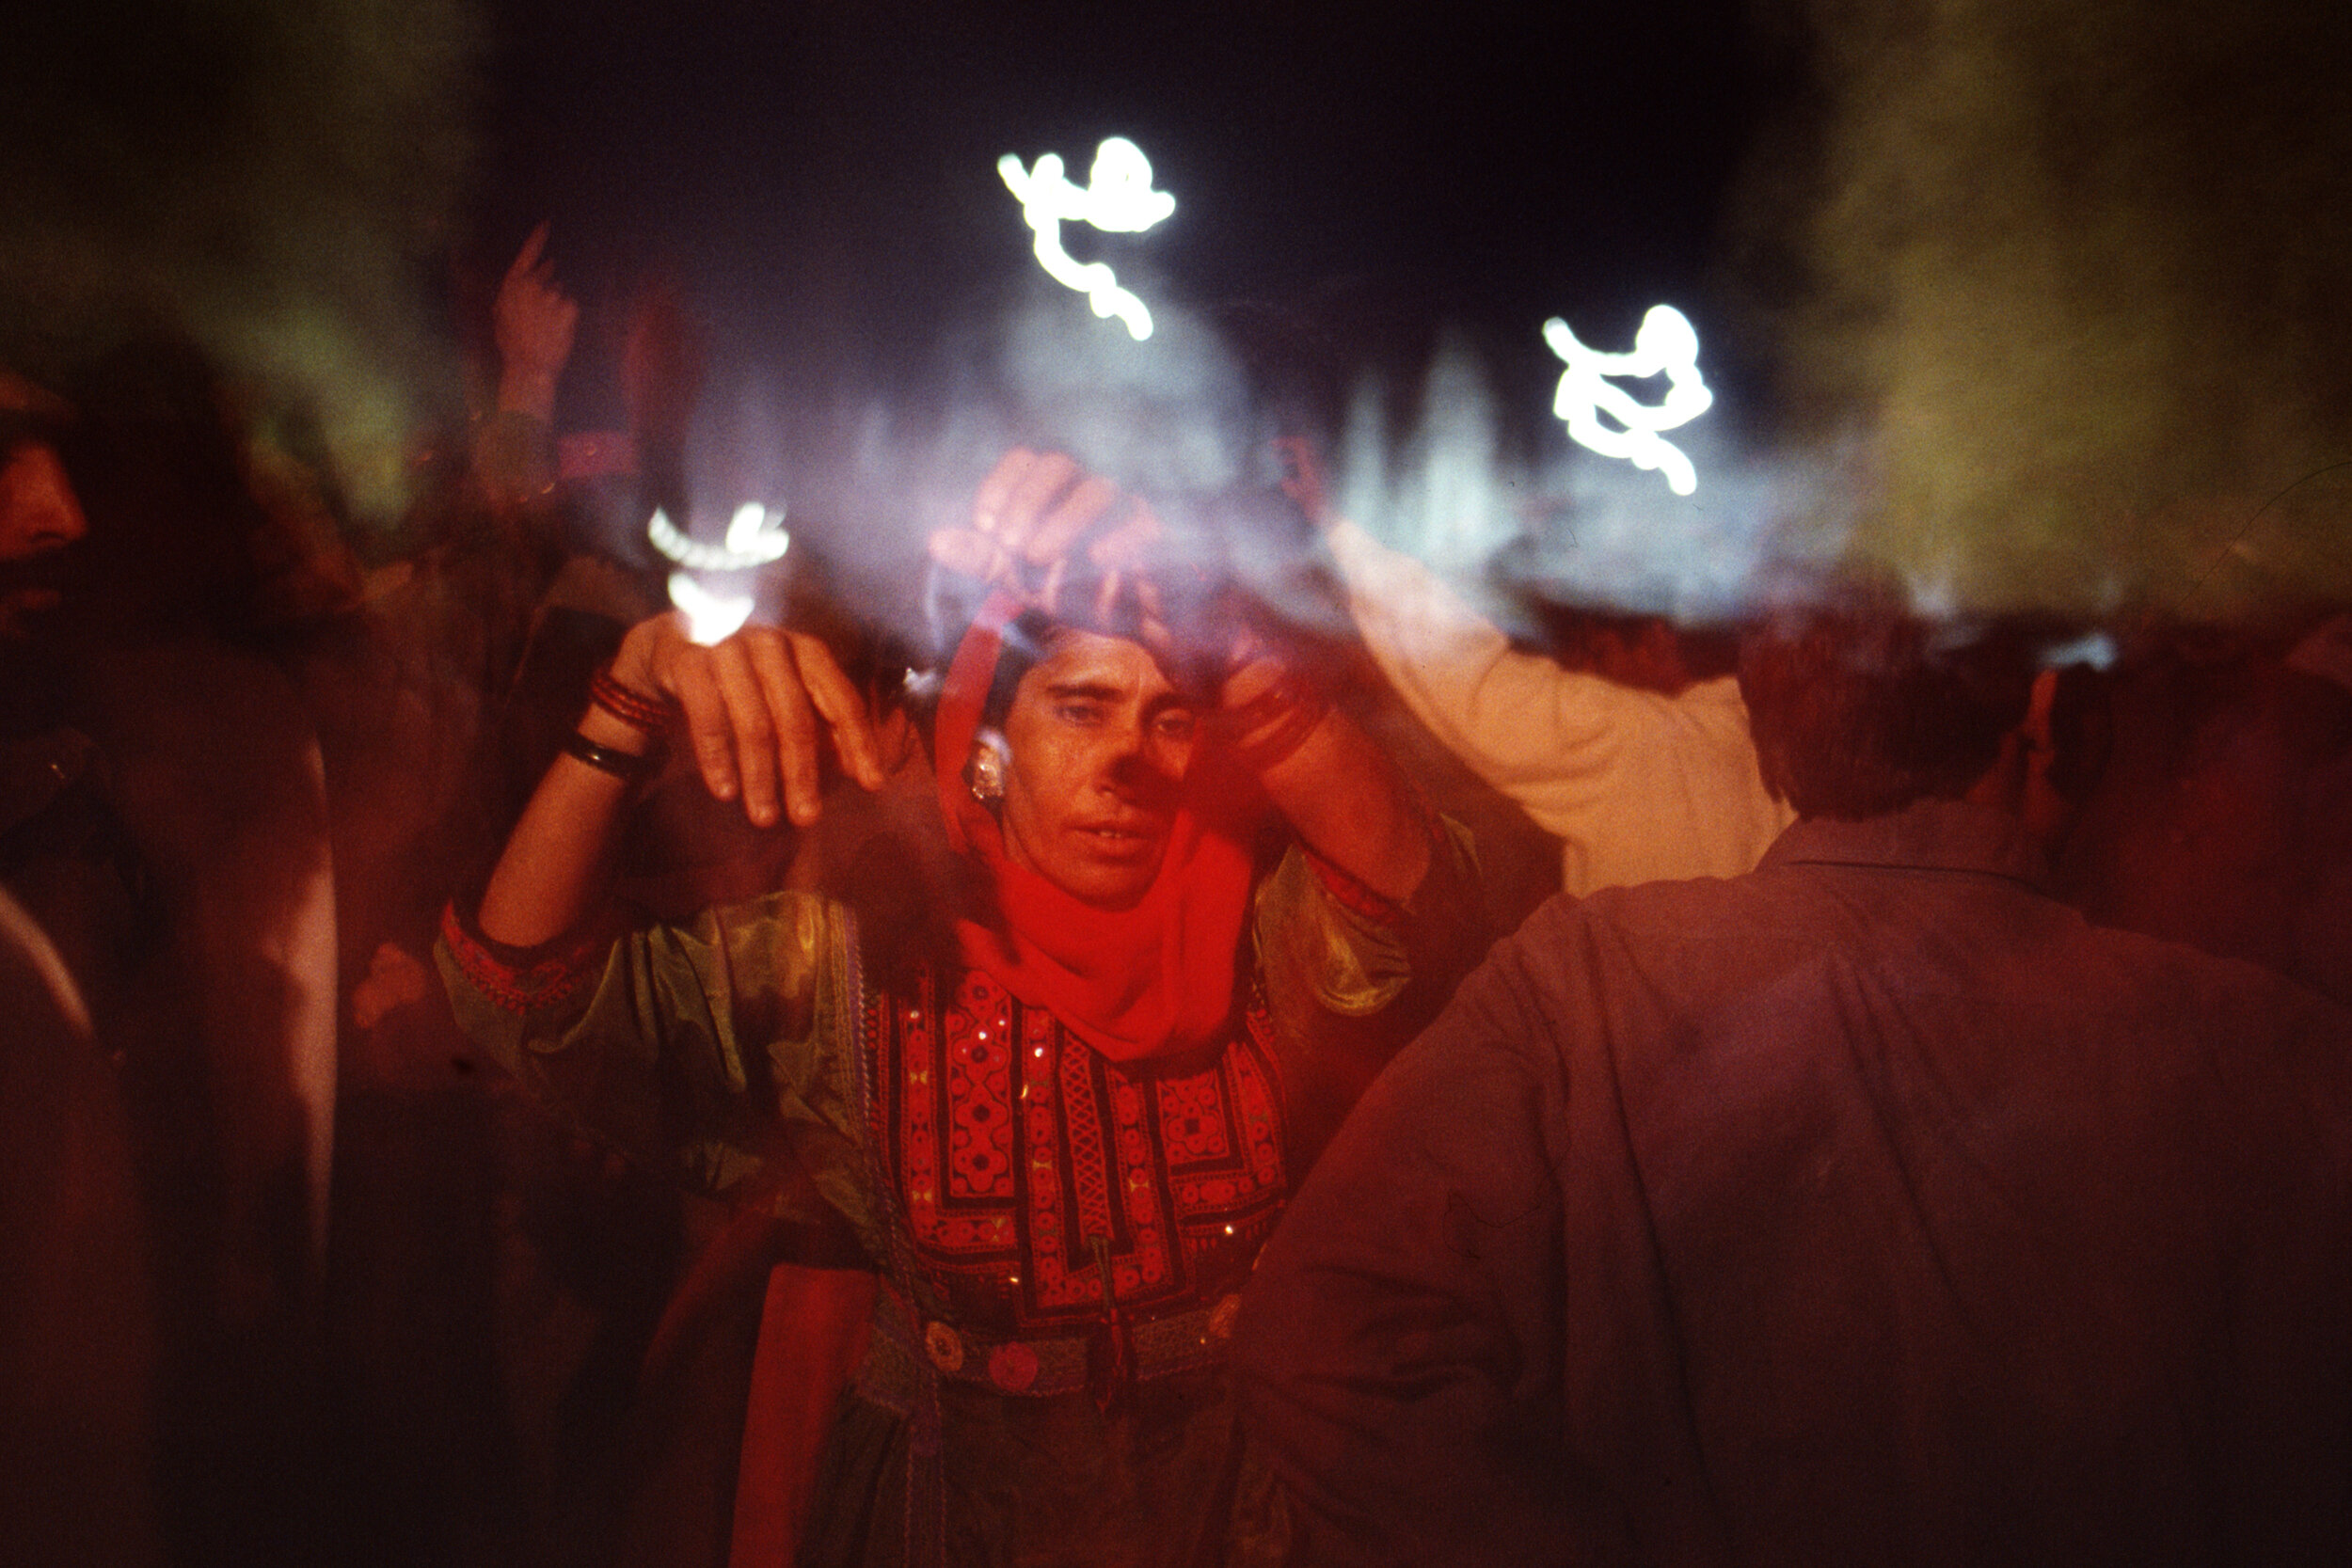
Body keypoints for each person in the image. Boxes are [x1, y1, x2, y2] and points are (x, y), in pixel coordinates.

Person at [438, 447, 1485, 1566]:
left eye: (1170, 719)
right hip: (952, 1519)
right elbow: (528, 992)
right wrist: (628, 702)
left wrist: (1225, 627)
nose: (1129, 758)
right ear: (988, 749)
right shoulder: (873, 955)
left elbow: (1419, 903)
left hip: (1242, 1511)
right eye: (1081, 710)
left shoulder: (1258, 932)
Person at [1235, 580, 2352, 1567]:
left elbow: (1324, 1336)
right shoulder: (2258, 1047)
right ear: (2046, 714)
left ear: (1767, 737)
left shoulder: (1577, 981)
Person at [1285, 440, 1791, 896]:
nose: (1589, 672)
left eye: (1600, 651)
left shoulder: (1632, 739)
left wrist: (1337, 524)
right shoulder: (1784, 750)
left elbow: (1468, 678)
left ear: (1656, 638)